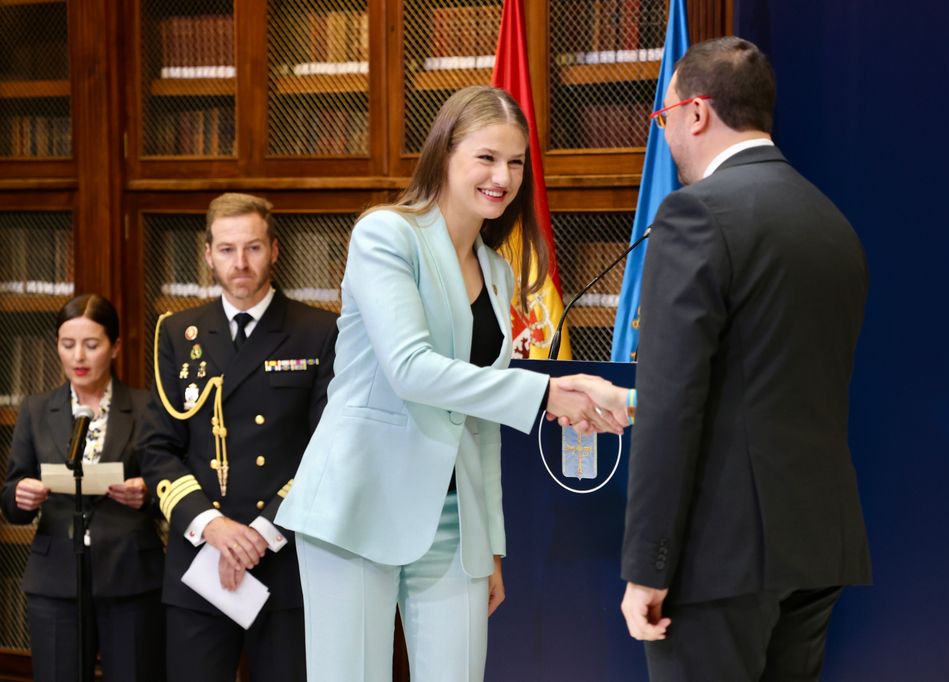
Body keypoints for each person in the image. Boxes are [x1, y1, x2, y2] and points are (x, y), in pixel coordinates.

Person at [274, 85, 625, 682]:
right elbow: (410, 369)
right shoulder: (386, 235)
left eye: (515, 162)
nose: (503, 176)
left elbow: (477, 422)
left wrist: (488, 541)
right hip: (359, 503)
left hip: (455, 522)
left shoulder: (497, 268)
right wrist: (544, 393)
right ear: (445, 153)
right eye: (486, 157)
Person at [607, 37, 872, 681]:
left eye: (663, 118)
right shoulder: (830, 220)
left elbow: (675, 405)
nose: (665, 135)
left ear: (696, 113)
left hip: (719, 561)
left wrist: (647, 564)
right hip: (816, 548)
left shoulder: (695, 213)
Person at [137, 193, 338, 682]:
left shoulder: (319, 331)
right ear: (207, 254)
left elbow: (328, 450)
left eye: (252, 248)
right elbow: (158, 449)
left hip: (285, 557)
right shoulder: (177, 332)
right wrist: (215, 529)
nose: (240, 263)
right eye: (227, 250)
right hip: (200, 561)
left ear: (274, 249)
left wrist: (259, 536)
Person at [0, 294, 165, 682]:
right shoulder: (37, 410)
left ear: (116, 347)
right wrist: (21, 494)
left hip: (130, 576)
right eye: (67, 344)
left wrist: (148, 493)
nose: (79, 357)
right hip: (55, 578)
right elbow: (10, 497)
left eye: (92, 345)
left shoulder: (146, 408)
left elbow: (170, 484)